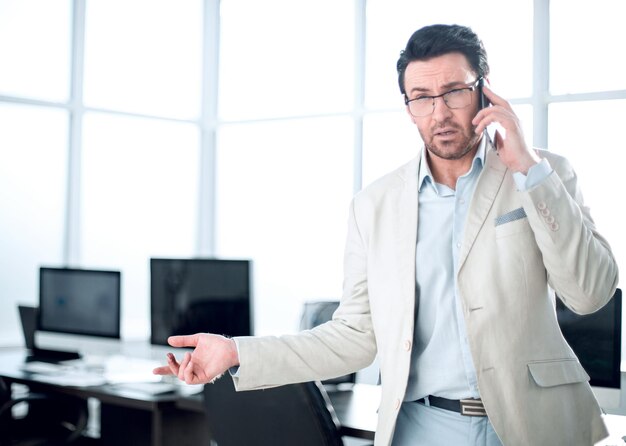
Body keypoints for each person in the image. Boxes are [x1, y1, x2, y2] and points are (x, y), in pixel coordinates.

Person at [154, 24, 619, 446]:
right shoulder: (374, 206)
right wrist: (237, 352)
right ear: (408, 106)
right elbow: (353, 336)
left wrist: (527, 170)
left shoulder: (544, 174)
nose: (439, 112)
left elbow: (590, 294)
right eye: (421, 97)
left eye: (455, 91)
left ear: (485, 91)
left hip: (533, 426)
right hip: (421, 428)